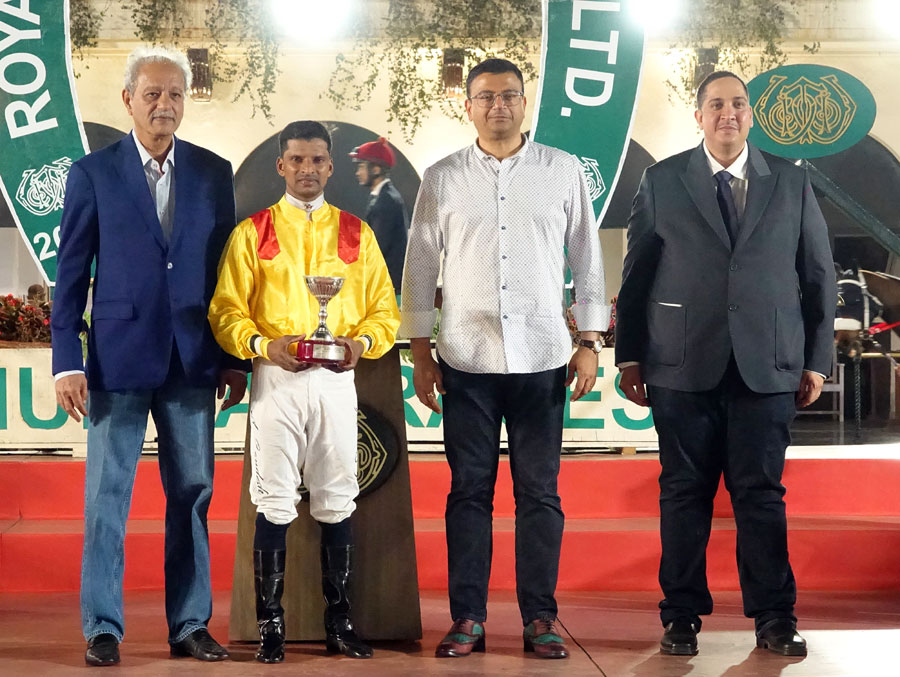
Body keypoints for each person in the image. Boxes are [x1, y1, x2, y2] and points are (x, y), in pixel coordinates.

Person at [615, 71, 836, 658]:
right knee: (683, 493)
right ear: (699, 116)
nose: (728, 113)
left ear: (751, 114)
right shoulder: (663, 180)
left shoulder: (791, 180)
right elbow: (636, 275)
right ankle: (680, 617)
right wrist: (630, 355)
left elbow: (818, 274)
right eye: (716, 104)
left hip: (768, 365)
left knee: (761, 494)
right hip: (681, 365)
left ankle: (775, 618)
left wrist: (817, 360)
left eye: (738, 103)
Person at [401, 58, 609, 660]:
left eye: (509, 95)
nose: (499, 105)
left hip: (543, 356)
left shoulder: (562, 171)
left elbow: (586, 257)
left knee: (540, 494)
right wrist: (420, 351)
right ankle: (467, 618)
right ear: (468, 106)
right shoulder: (442, 177)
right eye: (486, 96)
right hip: (465, 360)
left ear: (524, 103)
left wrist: (590, 341)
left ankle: (541, 617)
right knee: (469, 493)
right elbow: (420, 265)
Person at [51, 46, 248, 666]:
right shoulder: (92, 174)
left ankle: (190, 624)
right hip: (116, 361)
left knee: (192, 495)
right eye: (153, 94)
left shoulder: (214, 172)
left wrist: (233, 358)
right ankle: (102, 628)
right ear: (128, 100)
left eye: (175, 94)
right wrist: (67, 360)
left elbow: (227, 274)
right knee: (107, 498)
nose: (165, 104)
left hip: (193, 360)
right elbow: (70, 274)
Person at [208, 120, 399, 663]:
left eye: (317, 160)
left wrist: (361, 342)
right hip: (277, 379)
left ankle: (340, 623)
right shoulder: (253, 233)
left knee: (337, 497)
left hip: (337, 381)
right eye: (297, 159)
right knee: (273, 498)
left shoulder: (357, 233)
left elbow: (384, 310)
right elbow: (226, 310)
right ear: (281, 165)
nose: (307, 169)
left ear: (331, 167)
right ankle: (270, 625)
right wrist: (261, 346)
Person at [348, 136, 409, 293]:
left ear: (376, 169)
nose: (358, 173)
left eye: (362, 167)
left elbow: (377, 246)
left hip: (387, 287)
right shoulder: (381, 196)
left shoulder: (386, 201)